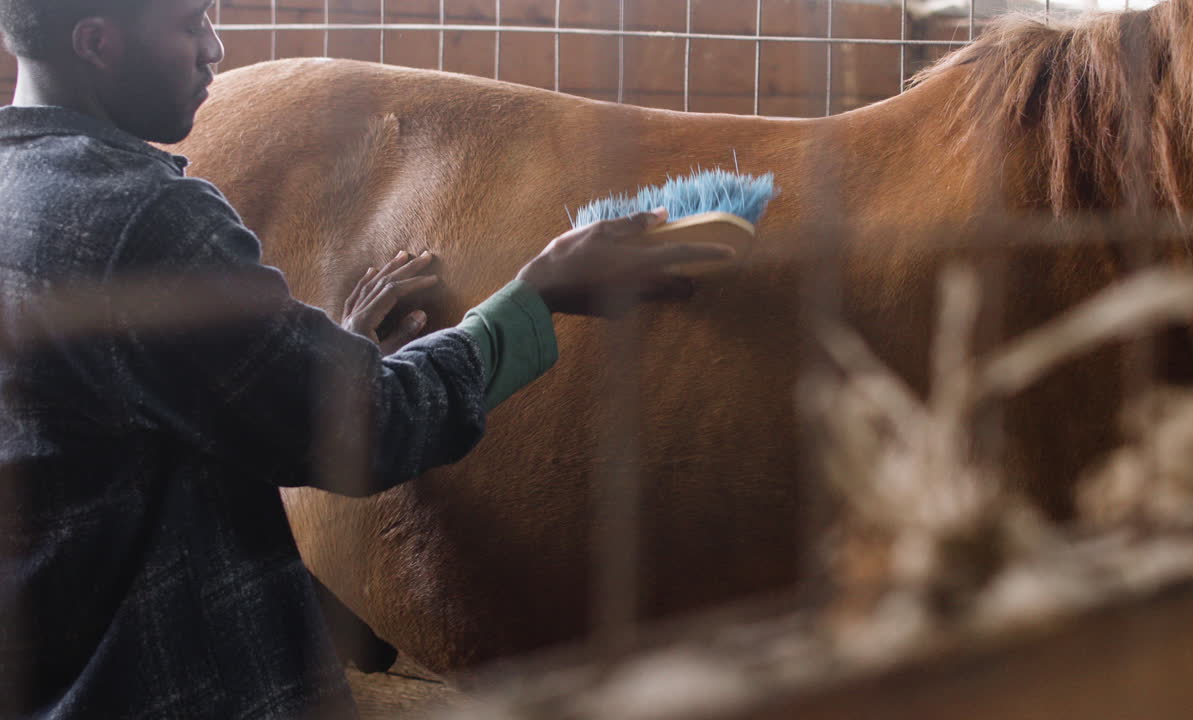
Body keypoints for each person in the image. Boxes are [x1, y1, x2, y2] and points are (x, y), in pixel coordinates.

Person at [0, 0, 734, 717]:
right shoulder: (146, 216)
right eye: (189, 24)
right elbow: (369, 428)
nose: (214, 49)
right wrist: (538, 295)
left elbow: (136, 392)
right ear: (97, 43)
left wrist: (319, 353)